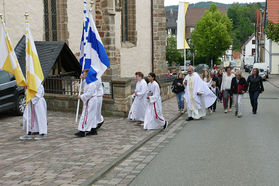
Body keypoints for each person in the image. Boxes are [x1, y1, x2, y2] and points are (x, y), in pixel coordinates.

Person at [75, 69, 98, 137]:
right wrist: (81, 79)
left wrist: (81, 96)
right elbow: (80, 86)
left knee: (86, 114)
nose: (83, 75)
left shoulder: (92, 84)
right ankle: (93, 129)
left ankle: (82, 130)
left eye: (84, 74)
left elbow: (89, 94)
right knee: (92, 115)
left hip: (91, 100)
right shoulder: (87, 81)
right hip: (91, 100)